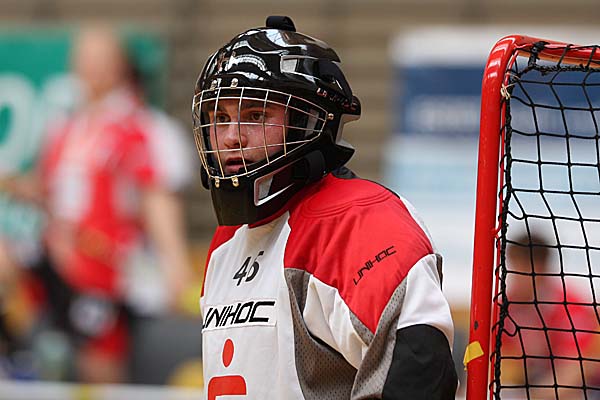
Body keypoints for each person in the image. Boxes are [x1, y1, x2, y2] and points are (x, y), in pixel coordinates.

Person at [193, 16, 458, 399]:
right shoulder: (226, 241)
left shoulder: (362, 220)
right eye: (219, 118)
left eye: (256, 116)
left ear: (308, 121)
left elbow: (420, 372)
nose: (232, 137)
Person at [2, 26, 193, 383]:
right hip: (56, 259)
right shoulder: (67, 128)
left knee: (98, 366)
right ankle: (14, 357)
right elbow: (54, 192)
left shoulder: (141, 127)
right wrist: (18, 186)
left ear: (119, 66)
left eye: (98, 59)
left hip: (105, 267)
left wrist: (175, 264)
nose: (88, 68)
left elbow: (156, 197)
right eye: (83, 59)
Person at [500, 231, 600, 398]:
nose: (514, 277)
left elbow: (578, 370)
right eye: (512, 268)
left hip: (584, 389)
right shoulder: (505, 308)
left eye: (521, 269)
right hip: (535, 383)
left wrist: (533, 395)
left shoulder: (569, 305)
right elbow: (500, 363)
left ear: (540, 269)